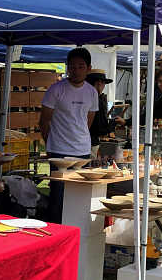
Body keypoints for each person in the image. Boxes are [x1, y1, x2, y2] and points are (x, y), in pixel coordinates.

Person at [40, 47, 99, 222]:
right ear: (67, 68)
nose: (76, 71)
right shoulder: (56, 89)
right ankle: (56, 233)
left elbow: (88, 121)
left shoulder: (92, 92)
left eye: (81, 66)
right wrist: (50, 143)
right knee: (58, 196)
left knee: (80, 196)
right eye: (72, 67)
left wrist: (79, 138)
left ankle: (77, 232)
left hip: (82, 151)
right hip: (59, 150)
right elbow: (44, 121)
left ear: (88, 68)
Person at [86, 71, 114, 152]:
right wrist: (113, 124)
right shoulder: (95, 100)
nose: (104, 86)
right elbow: (99, 127)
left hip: (84, 141)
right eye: (103, 83)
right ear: (98, 83)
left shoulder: (86, 97)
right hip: (90, 142)